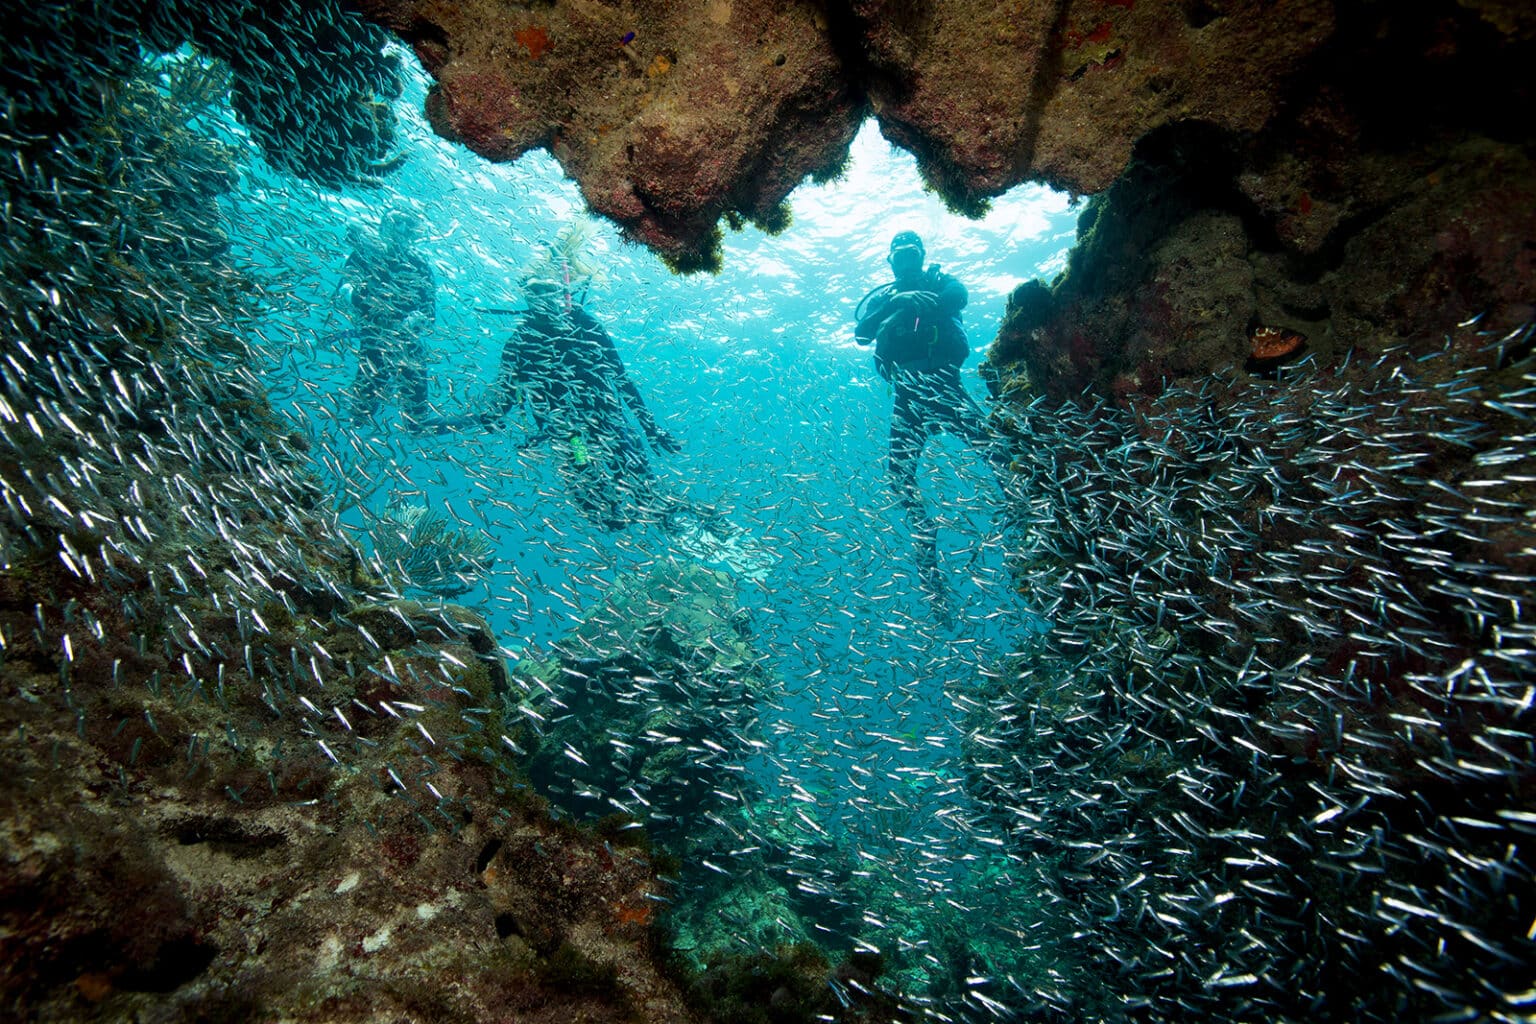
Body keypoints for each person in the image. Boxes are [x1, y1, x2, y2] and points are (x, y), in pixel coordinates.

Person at [854, 230, 1005, 622]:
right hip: (908, 397)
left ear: (922, 257)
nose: (906, 263)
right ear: (890, 262)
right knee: (898, 476)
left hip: (946, 386)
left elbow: (960, 297)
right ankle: (925, 541)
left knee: (997, 451)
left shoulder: (939, 282)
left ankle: (1027, 506)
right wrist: (897, 301)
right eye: (899, 257)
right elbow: (861, 333)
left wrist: (922, 302)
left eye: (911, 255)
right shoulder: (883, 297)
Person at [481, 274, 686, 531]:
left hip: (608, 421)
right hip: (570, 435)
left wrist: (650, 428)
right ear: (527, 296)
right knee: (587, 482)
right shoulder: (520, 340)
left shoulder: (587, 326)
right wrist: (493, 414)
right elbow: (508, 390)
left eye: (549, 291)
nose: (543, 299)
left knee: (634, 470)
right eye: (535, 293)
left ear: (563, 294)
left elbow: (622, 380)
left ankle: (668, 526)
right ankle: (612, 520)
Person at [342, 210, 435, 426]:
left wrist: (411, 323)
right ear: (383, 227)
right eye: (396, 225)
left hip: (408, 347)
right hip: (373, 343)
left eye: (408, 229)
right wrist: (367, 307)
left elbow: (430, 315)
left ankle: (481, 419)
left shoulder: (421, 266)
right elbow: (343, 290)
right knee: (358, 416)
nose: (400, 233)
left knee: (417, 423)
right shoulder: (362, 255)